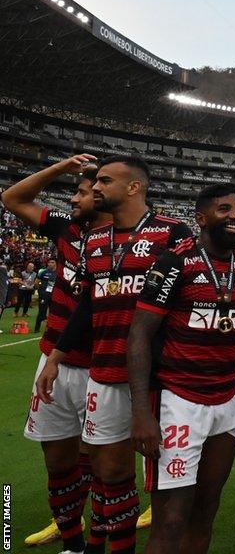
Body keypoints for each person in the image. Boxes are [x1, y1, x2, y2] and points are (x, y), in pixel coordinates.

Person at [40, 155, 192, 553]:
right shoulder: (92, 240)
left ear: (134, 187)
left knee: (166, 481)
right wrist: (56, 356)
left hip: (161, 377)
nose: (97, 187)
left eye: (105, 181)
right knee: (110, 473)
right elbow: (88, 305)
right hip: (104, 370)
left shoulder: (174, 233)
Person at [127, 184, 235, 553]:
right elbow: (139, 335)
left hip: (226, 402)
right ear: (201, 219)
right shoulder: (174, 262)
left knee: (206, 509)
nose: (234, 216)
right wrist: (140, 410)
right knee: (171, 516)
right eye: (224, 209)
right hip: (179, 401)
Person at [4, 154, 112, 551]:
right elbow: (13, 198)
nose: (74, 199)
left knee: (102, 467)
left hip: (102, 368)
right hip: (52, 363)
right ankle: (72, 541)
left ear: (103, 196)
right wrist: (60, 169)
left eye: (82, 192)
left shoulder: (129, 242)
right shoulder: (67, 230)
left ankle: (98, 540)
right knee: (58, 462)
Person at [35, 258, 57, 333]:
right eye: (49, 262)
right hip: (44, 296)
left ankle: (51, 328)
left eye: (52, 262)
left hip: (54, 296)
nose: (50, 264)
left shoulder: (59, 273)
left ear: (55, 264)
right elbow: (36, 283)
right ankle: (36, 328)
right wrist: (41, 292)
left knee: (53, 312)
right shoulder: (43, 272)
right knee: (41, 312)